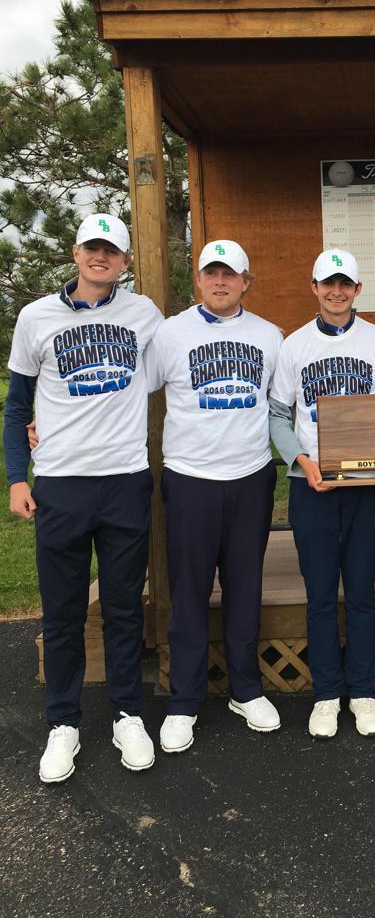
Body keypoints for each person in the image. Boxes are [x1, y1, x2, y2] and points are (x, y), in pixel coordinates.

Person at [4, 213, 163, 782]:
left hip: (124, 479)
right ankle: (63, 723)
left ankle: (126, 714)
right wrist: (17, 477)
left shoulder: (143, 314)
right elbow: (18, 404)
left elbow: (166, 374)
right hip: (61, 484)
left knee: (123, 607)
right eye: (93, 248)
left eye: (112, 251)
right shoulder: (35, 317)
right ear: (76, 252)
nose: (102, 258)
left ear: (124, 261)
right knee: (64, 609)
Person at [144, 240, 283, 753]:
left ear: (246, 280)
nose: (220, 282)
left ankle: (246, 689)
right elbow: (132, 392)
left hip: (250, 476)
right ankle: (184, 699)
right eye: (211, 273)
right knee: (190, 591)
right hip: (190, 477)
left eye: (230, 274)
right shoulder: (170, 333)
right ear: (199, 280)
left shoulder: (270, 336)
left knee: (245, 586)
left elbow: (284, 406)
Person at [269, 249, 375, 738]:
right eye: (328, 284)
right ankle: (326, 693)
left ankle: (362, 691)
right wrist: (301, 460)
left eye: (346, 284)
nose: (337, 292)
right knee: (321, 593)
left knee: (361, 591)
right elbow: (279, 414)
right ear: (314, 287)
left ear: (358, 290)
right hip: (313, 485)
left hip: (364, 486)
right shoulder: (294, 345)